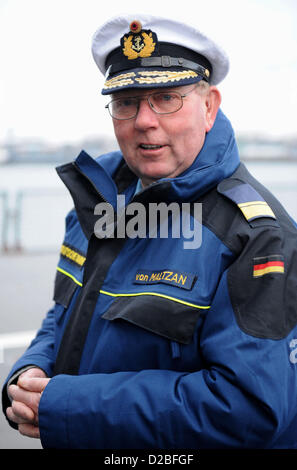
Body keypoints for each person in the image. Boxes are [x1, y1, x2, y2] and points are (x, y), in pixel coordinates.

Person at [2, 14, 297, 449]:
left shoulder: (255, 236)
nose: (143, 120)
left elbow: (250, 407)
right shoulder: (99, 204)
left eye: (165, 98)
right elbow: (65, 314)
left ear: (210, 106)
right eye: (127, 101)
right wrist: (29, 372)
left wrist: (70, 406)